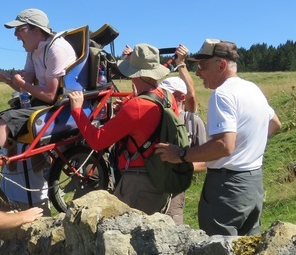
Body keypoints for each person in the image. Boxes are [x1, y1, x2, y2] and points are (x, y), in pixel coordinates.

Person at [156, 39, 281, 236]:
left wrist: (180, 154)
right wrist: (246, 146)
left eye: (203, 66)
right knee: (247, 247)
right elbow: (274, 123)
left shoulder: (222, 94)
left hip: (227, 187)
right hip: (253, 182)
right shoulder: (253, 89)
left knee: (219, 251)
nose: (198, 73)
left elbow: (223, 145)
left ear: (221, 65)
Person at [0, 9, 76, 174]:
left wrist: (20, 82)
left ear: (36, 30)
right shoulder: (34, 51)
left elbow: (51, 96)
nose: (16, 35)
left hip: (60, 106)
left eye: (19, 29)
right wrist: (9, 80)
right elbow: (25, 88)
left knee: (6, 119)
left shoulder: (56, 50)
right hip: (44, 102)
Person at [68, 43, 175, 214]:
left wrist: (76, 111)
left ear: (135, 74)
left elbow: (97, 141)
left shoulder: (137, 106)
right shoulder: (168, 98)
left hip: (139, 184)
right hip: (161, 178)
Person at [159, 44, 208, 225]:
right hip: (149, 189)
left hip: (174, 191)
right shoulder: (154, 117)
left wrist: (180, 164)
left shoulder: (192, 121)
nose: (163, 98)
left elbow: (206, 161)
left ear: (180, 97)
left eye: (168, 94)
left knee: (172, 231)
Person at [0, 138, 51, 216]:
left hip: (34, 201)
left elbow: (37, 167)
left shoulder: (40, 140)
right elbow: (6, 167)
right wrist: (0, 185)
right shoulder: (10, 139)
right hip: (10, 198)